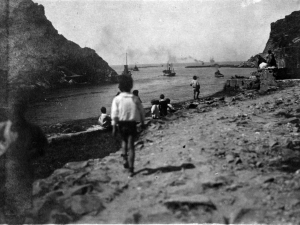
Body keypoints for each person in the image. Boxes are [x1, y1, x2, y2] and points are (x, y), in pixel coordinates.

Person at [111, 75, 145, 177]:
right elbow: (142, 112)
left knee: (124, 141)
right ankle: (131, 169)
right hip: (131, 124)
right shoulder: (134, 98)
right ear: (131, 86)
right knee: (131, 146)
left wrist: (113, 126)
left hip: (121, 124)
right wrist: (143, 123)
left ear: (119, 87)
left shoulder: (116, 99)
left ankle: (124, 159)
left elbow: (114, 114)